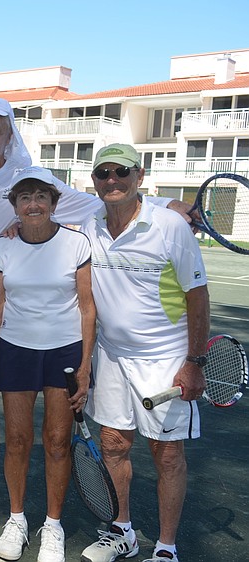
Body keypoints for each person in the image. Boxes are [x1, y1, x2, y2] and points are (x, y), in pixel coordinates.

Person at [0, 96, 195, 534]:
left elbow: (98, 201)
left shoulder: (30, 178)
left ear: (9, 136)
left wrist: (169, 204)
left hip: (4, 308)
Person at [79, 144, 209, 562]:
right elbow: (40, 206)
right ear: (94, 180)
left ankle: (166, 548)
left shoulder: (169, 227)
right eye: (104, 173)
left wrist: (194, 362)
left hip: (165, 359)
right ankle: (123, 532)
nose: (112, 180)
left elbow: (198, 296)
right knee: (113, 442)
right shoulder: (89, 224)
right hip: (111, 356)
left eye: (122, 172)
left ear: (139, 175)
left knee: (167, 454)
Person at [0, 166, 95, 562]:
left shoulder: (76, 244)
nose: (33, 204)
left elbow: (87, 308)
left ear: (54, 203)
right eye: (25, 197)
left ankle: (53, 526)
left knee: (58, 441)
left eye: (41, 196)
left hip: (64, 352)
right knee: (17, 440)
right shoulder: (2, 248)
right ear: (15, 206)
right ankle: (17, 519)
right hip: (16, 351)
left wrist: (85, 365)